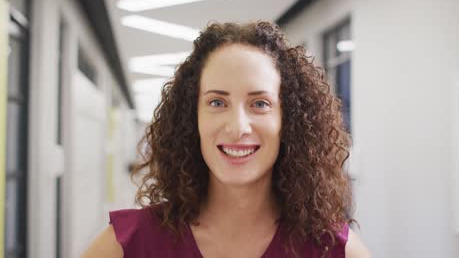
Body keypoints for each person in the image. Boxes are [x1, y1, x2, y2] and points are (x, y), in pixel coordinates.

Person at [82, 21, 371, 258]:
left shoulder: (333, 249)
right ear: (192, 118)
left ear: (288, 120)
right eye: (217, 103)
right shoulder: (127, 245)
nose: (238, 127)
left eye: (259, 104)